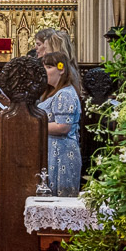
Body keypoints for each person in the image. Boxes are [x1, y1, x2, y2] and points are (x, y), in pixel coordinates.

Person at [38, 51, 82, 197]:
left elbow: (63, 127)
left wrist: (34, 125)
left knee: (61, 198)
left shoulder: (65, 94)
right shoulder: (54, 92)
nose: (45, 71)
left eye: (49, 67)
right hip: (54, 151)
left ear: (61, 69)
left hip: (62, 154)